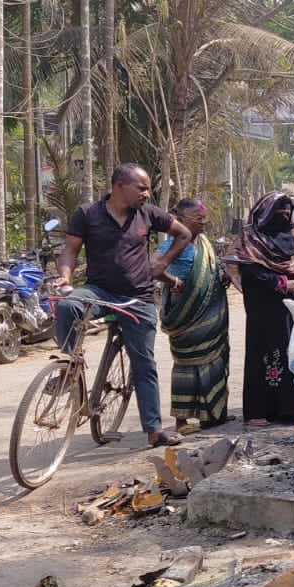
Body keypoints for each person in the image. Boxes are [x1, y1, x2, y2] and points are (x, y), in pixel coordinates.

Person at [51, 163, 193, 448]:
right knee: (67, 305)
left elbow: (184, 234)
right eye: (141, 188)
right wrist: (64, 277)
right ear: (119, 187)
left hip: (138, 299)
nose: (146, 193)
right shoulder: (87, 214)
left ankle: (154, 430)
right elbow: (70, 251)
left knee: (144, 364)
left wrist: (162, 262)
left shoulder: (149, 214)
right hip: (99, 291)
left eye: (148, 188)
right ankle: (69, 366)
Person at [228, 192, 294, 427]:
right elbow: (251, 272)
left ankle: (290, 408)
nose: (282, 215)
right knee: (263, 355)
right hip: (264, 310)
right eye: (277, 210)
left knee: (293, 353)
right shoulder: (250, 240)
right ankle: (258, 410)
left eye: (286, 211)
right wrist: (283, 284)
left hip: (292, 311)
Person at [157, 198, 231, 432]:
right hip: (186, 314)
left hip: (211, 313)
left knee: (214, 360)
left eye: (204, 218)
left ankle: (213, 414)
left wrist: (223, 274)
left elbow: (211, 268)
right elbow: (153, 268)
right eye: (197, 219)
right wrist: (173, 281)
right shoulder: (171, 245)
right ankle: (181, 420)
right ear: (179, 220)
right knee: (187, 365)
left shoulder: (204, 243)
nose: (203, 223)